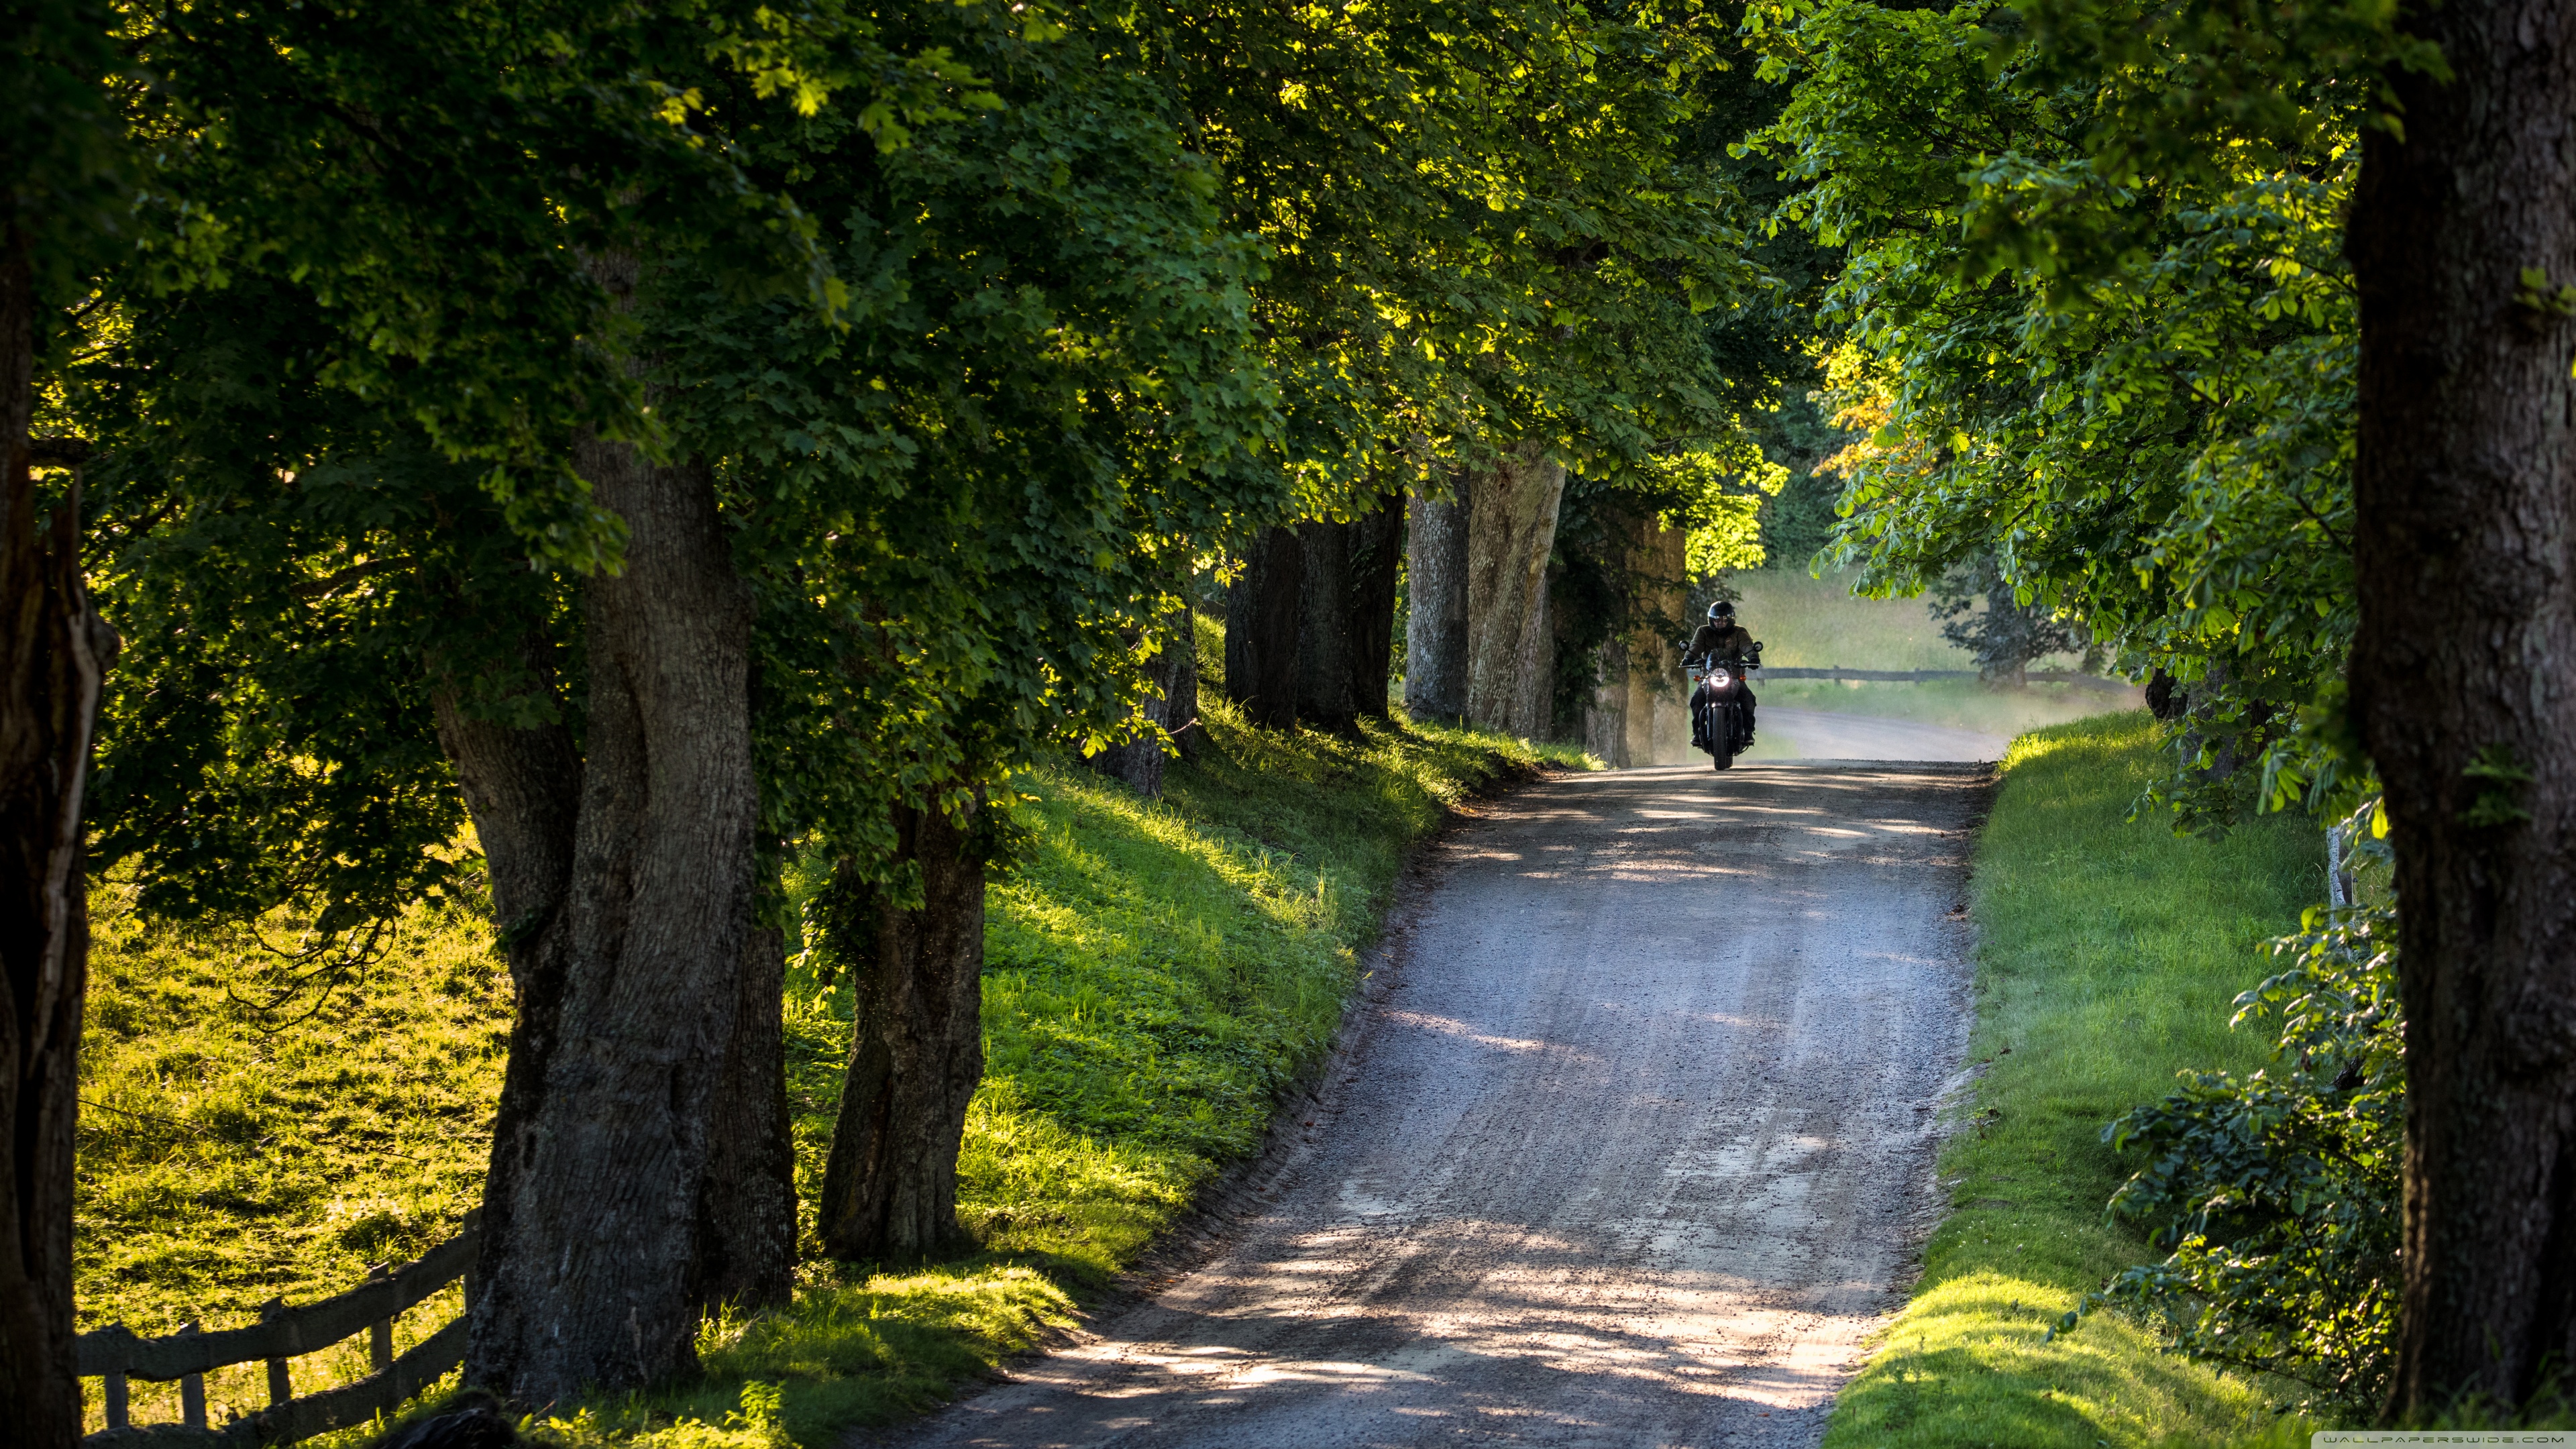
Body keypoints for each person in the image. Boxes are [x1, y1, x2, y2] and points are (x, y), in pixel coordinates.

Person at [1684, 600, 1758, 748]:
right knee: (1697, 699)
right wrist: (1689, 657)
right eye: (1716, 620)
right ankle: (1698, 733)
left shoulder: (1739, 632)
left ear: (1730, 619)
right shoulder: (1703, 631)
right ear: (1711, 620)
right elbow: (1695, 646)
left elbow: (1747, 645)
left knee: (1748, 699)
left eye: (1724, 620)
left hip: (1734, 677)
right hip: (1708, 676)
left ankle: (1748, 732)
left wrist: (1753, 657)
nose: (1720, 623)